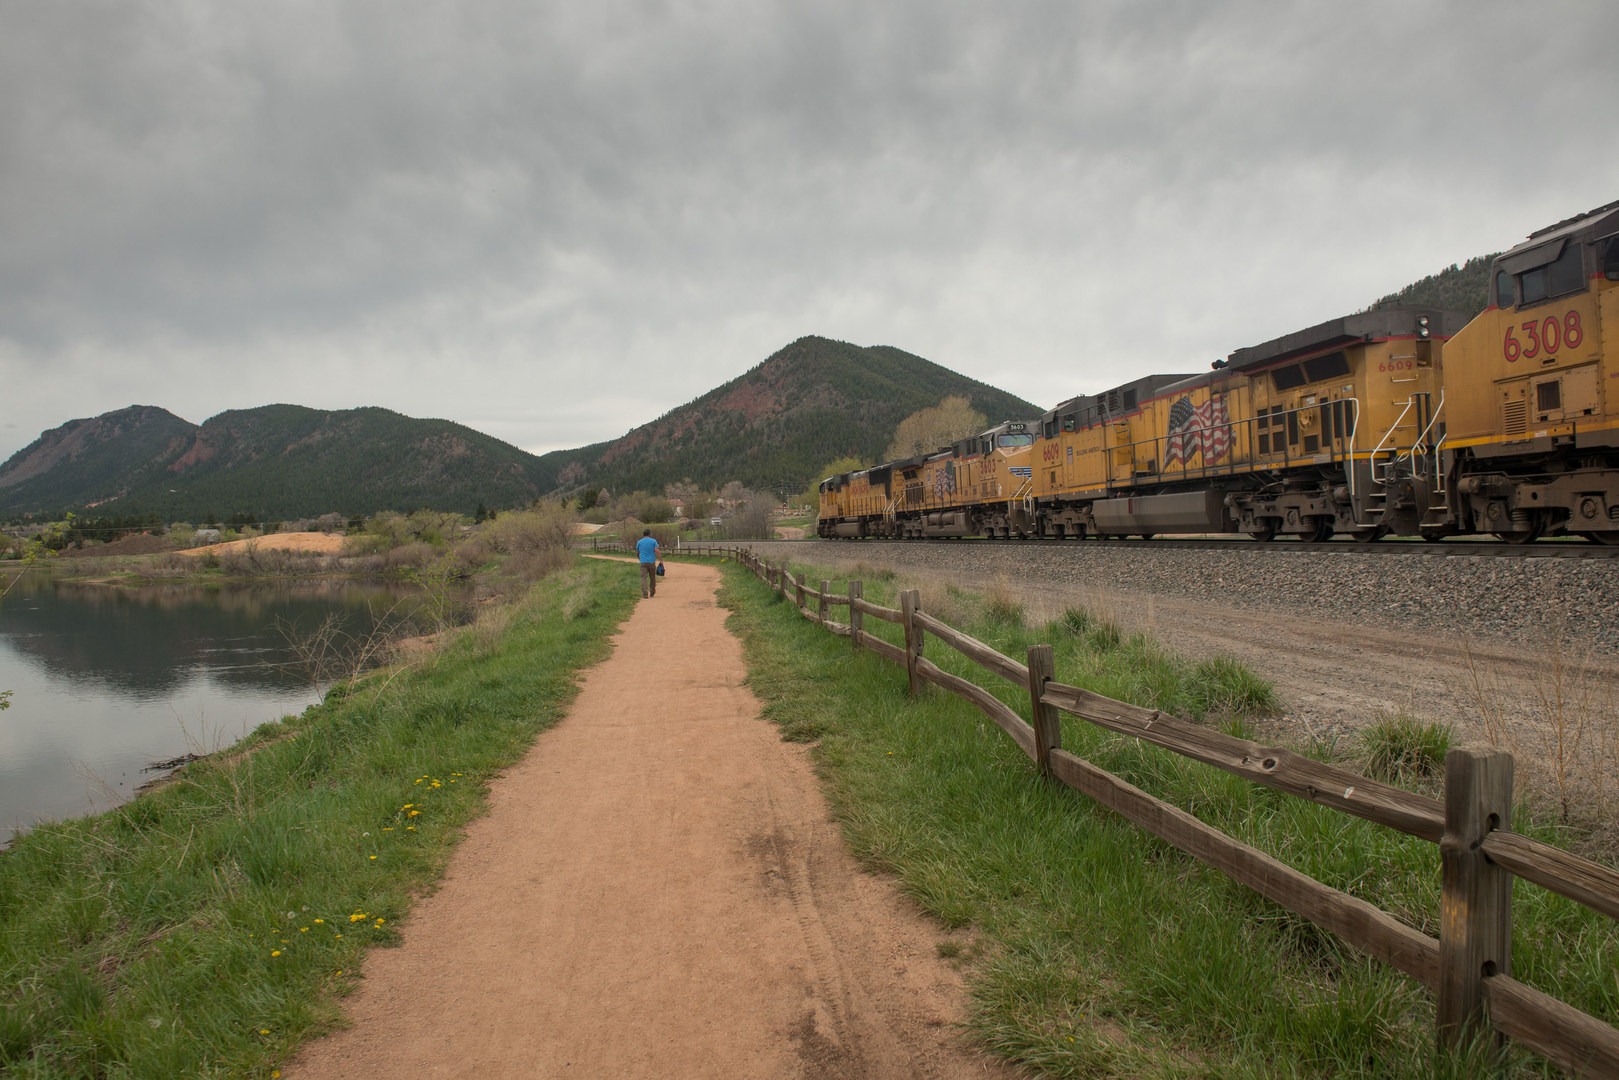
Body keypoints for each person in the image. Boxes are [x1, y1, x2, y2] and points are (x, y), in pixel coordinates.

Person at [635, 528, 662, 598]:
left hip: (643, 562)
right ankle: (652, 592)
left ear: (643, 534)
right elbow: (657, 551)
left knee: (643, 578)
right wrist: (661, 560)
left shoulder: (639, 542)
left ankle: (645, 593)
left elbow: (637, 553)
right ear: (650, 534)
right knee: (652, 577)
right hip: (651, 562)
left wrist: (640, 559)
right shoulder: (653, 541)